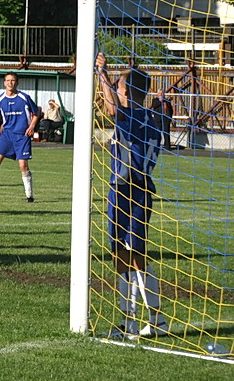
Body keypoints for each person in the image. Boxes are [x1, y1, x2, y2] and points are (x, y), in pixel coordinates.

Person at [95, 52, 168, 338]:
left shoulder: (134, 115)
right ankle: (150, 320)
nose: (117, 89)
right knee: (128, 254)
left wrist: (100, 73)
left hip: (129, 189)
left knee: (130, 256)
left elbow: (112, 108)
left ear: (132, 93)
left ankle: (132, 322)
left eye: (121, 87)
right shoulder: (153, 115)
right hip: (138, 187)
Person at [0, 72, 38, 202]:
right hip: (7, 135)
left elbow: (36, 113)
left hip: (22, 136)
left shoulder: (24, 97)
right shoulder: (0, 99)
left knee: (23, 165)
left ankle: (29, 196)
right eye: (8, 80)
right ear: (4, 83)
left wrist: (31, 126)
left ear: (17, 82)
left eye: (13, 80)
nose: (10, 83)